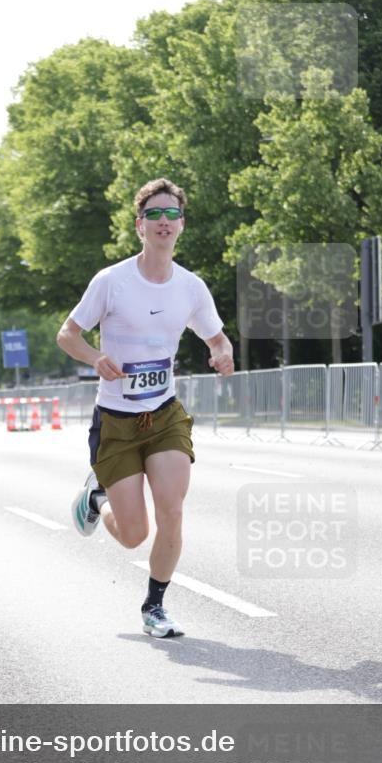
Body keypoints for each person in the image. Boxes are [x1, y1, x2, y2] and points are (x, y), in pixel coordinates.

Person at [57, 178, 234, 638]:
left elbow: (214, 335)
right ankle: (98, 497)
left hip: (164, 414)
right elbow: (67, 334)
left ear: (181, 225)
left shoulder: (191, 288)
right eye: (154, 214)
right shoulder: (112, 282)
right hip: (115, 421)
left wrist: (222, 351)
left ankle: (154, 606)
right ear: (140, 226)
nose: (163, 221)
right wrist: (96, 357)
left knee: (172, 509)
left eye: (171, 214)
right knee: (134, 533)